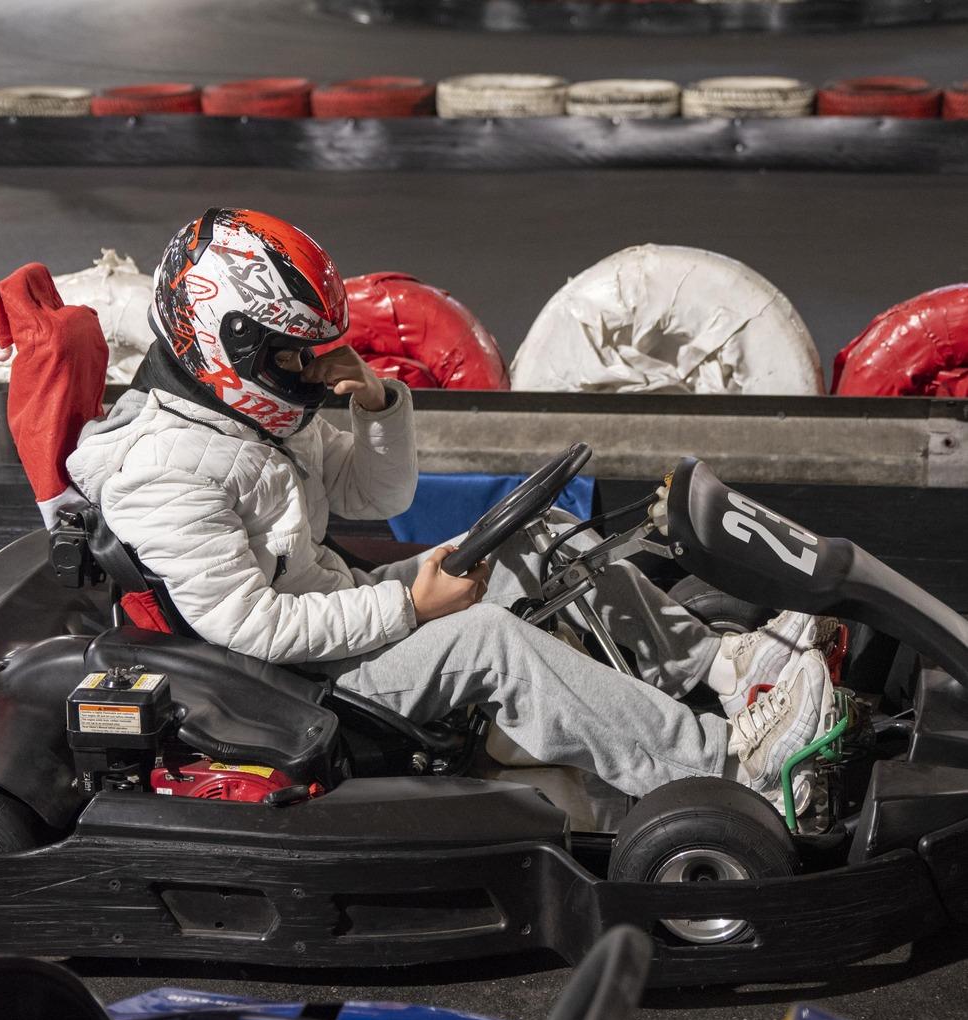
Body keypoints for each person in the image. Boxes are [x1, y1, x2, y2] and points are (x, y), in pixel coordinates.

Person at [66, 207, 835, 801]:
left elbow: (378, 493)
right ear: (231, 346)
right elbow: (255, 626)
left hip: (334, 613)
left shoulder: (238, 420)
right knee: (487, 638)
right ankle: (727, 768)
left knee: (544, 537)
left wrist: (374, 403)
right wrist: (414, 608)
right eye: (298, 355)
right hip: (291, 679)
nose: (312, 371)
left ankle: (727, 665)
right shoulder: (163, 472)